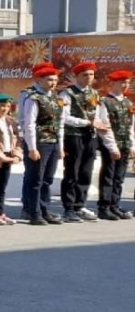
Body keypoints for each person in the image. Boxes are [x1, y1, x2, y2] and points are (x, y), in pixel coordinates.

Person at [18, 62, 66, 226]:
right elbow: (29, 123)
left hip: (52, 142)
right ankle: (34, 212)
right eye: (49, 79)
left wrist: (60, 147)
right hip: (39, 142)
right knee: (35, 179)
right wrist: (31, 147)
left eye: (55, 79)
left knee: (47, 179)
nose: (53, 83)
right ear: (39, 80)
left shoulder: (54, 97)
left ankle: (45, 210)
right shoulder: (33, 97)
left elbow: (59, 123)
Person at [59, 61, 102, 222]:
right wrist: (86, 123)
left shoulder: (94, 93)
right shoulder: (67, 93)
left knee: (86, 172)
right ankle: (69, 208)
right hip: (74, 136)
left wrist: (98, 124)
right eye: (85, 75)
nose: (89, 77)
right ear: (77, 76)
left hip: (90, 137)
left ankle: (80, 205)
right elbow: (65, 117)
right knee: (72, 172)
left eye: (91, 74)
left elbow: (95, 114)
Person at [96, 70, 134, 220]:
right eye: (122, 82)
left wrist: (132, 145)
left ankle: (115, 205)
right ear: (113, 84)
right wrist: (112, 147)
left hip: (125, 144)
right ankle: (104, 207)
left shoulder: (127, 102)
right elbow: (105, 126)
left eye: (127, 82)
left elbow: (131, 125)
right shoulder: (105, 102)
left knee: (119, 177)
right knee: (108, 176)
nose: (125, 85)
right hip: (111, 145)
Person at [0, 94, 21, 224]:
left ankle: (1, 212)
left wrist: (17, 155)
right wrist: (2, 157)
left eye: (7, 106)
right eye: (2, 105)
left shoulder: (9, 120)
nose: (5, 108)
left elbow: (18, 138)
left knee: (2, 186)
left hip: (8, 155)